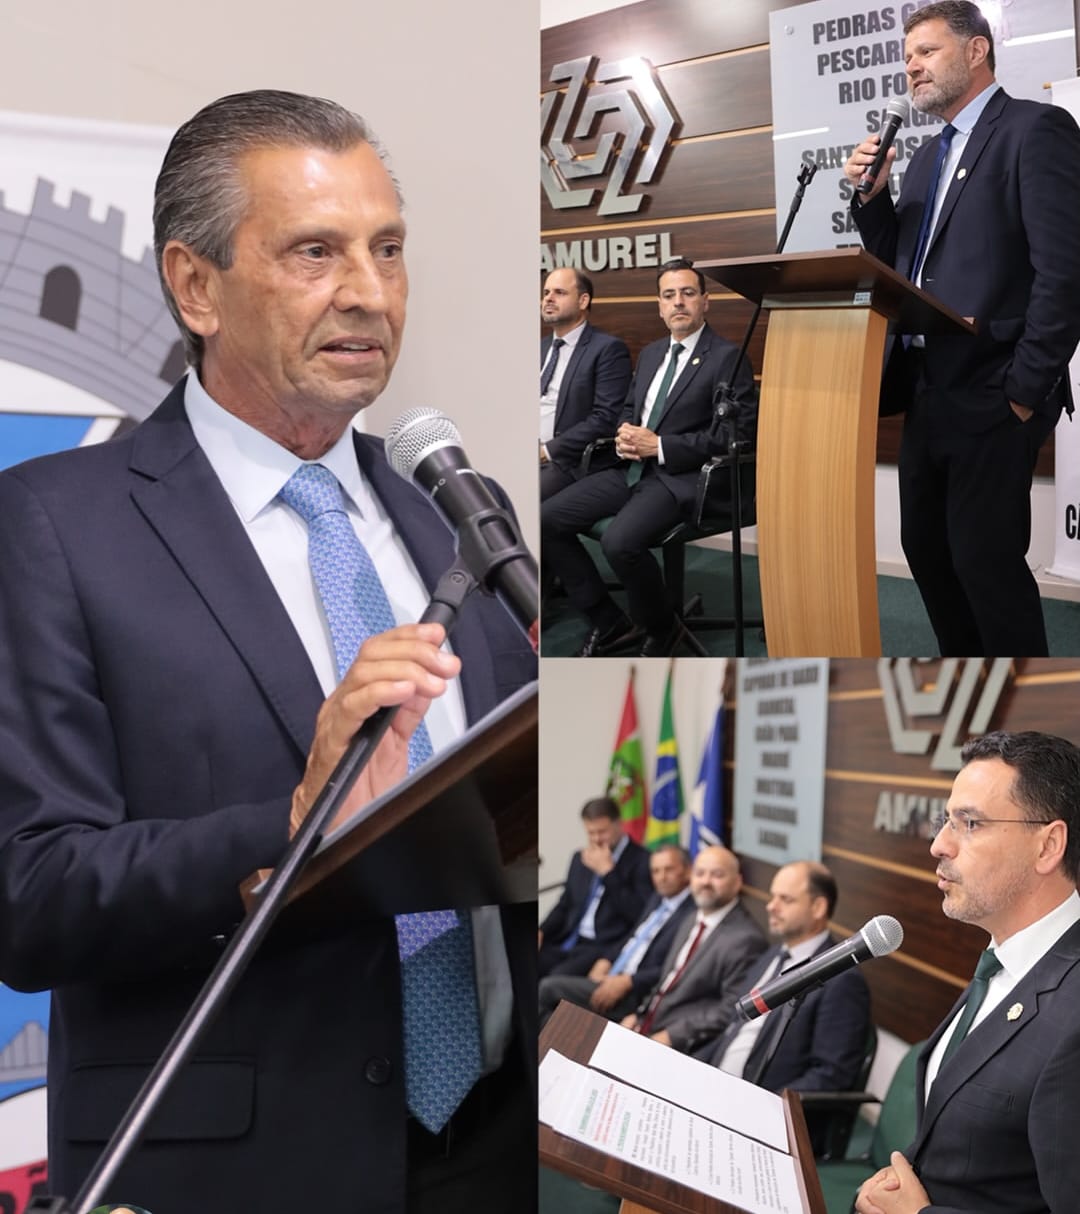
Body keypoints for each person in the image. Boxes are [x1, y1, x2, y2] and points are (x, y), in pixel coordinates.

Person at [0, 90, 536, 1214]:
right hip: (240, 1168)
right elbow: (31, 895)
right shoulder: (52, 524)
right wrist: (294, 822)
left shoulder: (456, 511)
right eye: (315, 252)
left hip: (494, 1150)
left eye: (388, 248)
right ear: (195, 286)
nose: (370, 291)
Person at [843, 0, 1080, 657]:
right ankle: (969, 691)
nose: (911, 67)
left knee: (985, 564)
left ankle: (1027, 714)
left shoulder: (1035, 129)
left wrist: (1023, 391)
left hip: (994, 389)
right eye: (907, 57)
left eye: (927, 51)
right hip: (927, 390)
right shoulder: (926, 158)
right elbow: (901, 269)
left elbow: (1065, 273)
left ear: (976, 51)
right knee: (928, 552)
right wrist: (873, 199)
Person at [855, 730, 1080, 1214]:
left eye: (970, 823)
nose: (939, 845)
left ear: (1048, 846)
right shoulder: (1002, 962)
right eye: (946, 821)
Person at [541, 258, 757, 657]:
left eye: (687, 293)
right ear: (659, 306)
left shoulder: (727, 358)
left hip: (680, 478)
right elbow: (628, 409)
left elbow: (735, 435)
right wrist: (624, 435)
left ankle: (661, 628)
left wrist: (659, 446)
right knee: (547, 519)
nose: (678, 302)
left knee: (619, 543)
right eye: (669, 295)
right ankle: (609, 621)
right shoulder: (652, 353)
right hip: (630, 468)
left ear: (705, 301)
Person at [699, 861, 871, 1154]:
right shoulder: (772, 956)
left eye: (785, 899)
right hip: (719, 1090)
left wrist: (764, 1106)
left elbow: (831, 1074)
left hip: (763, 1116)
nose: (771, 906)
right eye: (772, 896)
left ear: (818, 907)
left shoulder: (842, 981)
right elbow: (733, 1030)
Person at [620, 846, 767, 1052]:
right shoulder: (691, 918)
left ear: (737, 882)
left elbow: (732, 1008)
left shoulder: (746, 939)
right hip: (647, 1025)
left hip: (681, 1044)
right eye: (700, 873)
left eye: (717, 875)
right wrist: (639, 1015)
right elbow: (667, 981)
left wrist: (673, 1036)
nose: (706, 881)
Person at [538, 843, 694, 1026]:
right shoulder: (658, 899)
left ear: (687, 871)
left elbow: (677, 966)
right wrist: (606, 960)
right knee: (554, 1010)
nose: (662, 877)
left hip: (637, 991)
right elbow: (632, 936)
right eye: (656, 871)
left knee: (548, 989)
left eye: (669, 869)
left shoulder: (692, 911)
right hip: (612, 976)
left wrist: (629, 981)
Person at [539, 268, 632, 501]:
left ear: (583, 301)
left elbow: (605, 418)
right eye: (546, 292)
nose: (548, 299)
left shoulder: (607, 349)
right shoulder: (539, 347)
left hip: (566, 461)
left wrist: (547, 451)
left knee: (512, 495)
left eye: (559, 292)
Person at [538, 797, 653, 978]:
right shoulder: (580, 858)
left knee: (555, 979)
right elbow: (565, 904)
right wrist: (542, 930)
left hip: (602, 945)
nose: (597, 839)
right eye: (591, 833)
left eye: (602, 832)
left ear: (619, 824)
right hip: (568, 939)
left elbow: (639, 914)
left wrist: (608, 873)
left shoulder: (642, 860)